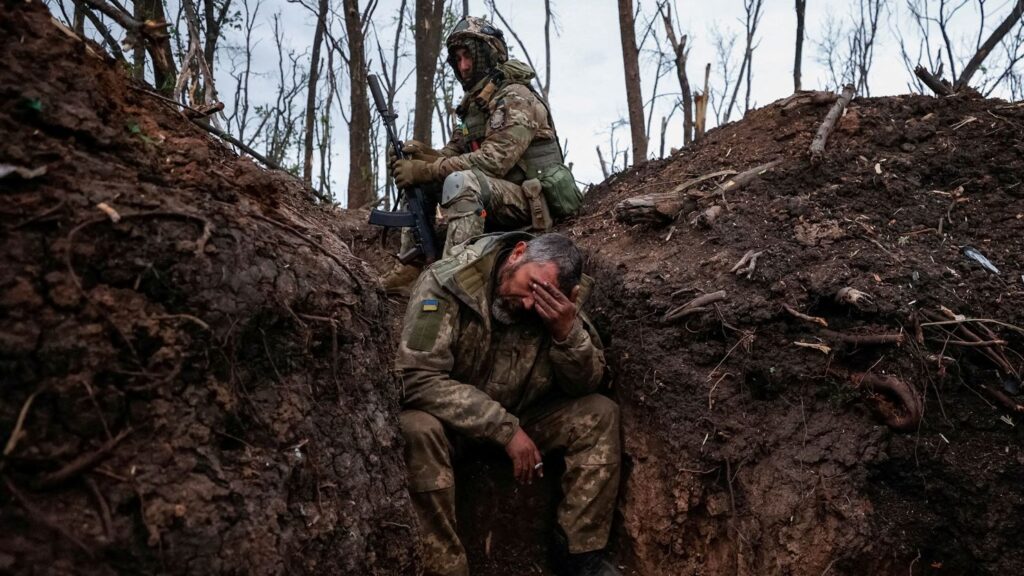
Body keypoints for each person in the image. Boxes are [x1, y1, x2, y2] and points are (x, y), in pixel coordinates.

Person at [396, 232, 621, 576]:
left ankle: (579, 557)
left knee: (600, 413)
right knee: (415, 428)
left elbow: (586, 385)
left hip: (526, 415)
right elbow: (416, 377)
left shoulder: (557, 305)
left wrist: (566, 332)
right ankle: (444, 567)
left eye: (544, 297)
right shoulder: (448, 283)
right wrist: (503, 429)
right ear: (518, 254)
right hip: (454, 426)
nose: (531, 304)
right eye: (532, 286)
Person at [382, 16, 583, 295]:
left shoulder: (515, 97)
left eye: (470, 57)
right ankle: (411, 266)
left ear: (490, 55)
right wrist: (420, 156)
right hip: (495, 195)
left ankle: (454, 279)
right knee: (424, 179)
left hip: (531, 202)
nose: (464, 66)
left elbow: (493, 161)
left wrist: (427, 169)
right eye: (459, 59)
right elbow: (453, 153)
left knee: (462, 181)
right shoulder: (474, 106)